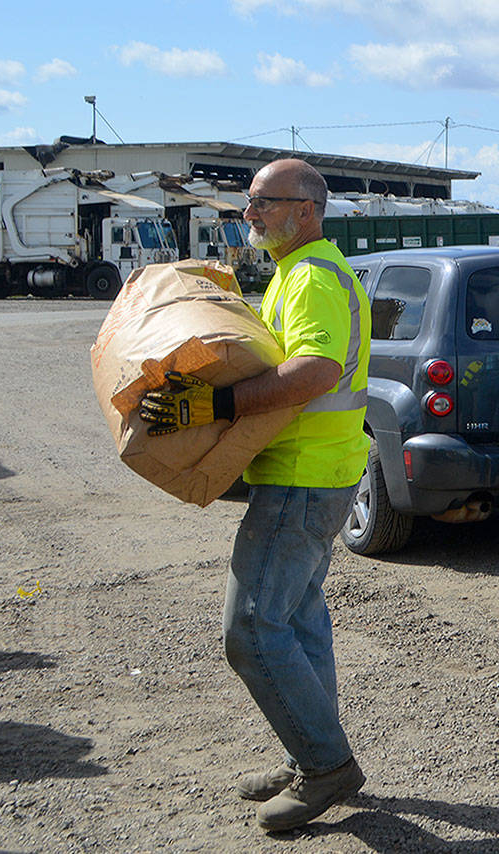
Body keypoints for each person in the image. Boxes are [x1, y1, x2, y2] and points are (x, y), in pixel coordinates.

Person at [139, 159, 371, 829]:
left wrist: (212, 402)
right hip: (316, 470)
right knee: (297, 621)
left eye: (264, 202)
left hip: (303, 475)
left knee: (249, 630)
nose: (250, 214)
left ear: (307, 209)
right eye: (250, 203)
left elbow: (314, 370)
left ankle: (327, 766)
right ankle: (314, 755)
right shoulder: (303, 272)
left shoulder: (314, 277)